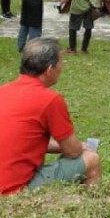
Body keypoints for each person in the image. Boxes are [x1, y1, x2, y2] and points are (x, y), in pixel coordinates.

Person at [0, 38, 101, 195]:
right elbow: (72, 152)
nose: (63, 67)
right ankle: (93, 210)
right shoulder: (50, 100)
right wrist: (79, 146)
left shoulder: (3, 91)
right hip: (13, 189)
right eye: (61, 62)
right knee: (91, 159)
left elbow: (23, 141)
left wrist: (73, 145)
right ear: (49, 70)